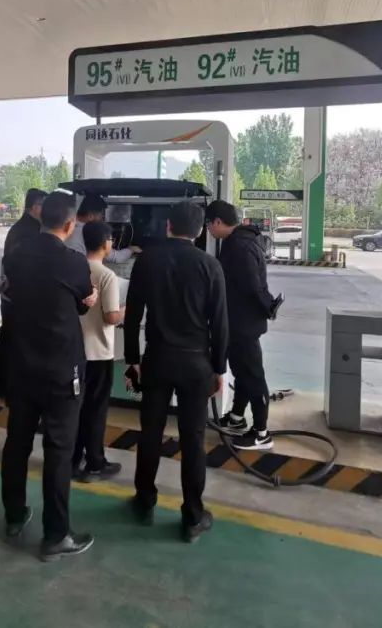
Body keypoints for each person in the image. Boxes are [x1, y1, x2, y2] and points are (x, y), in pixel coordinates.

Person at [0, 191, 98, 562]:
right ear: (70, 225)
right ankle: (56, 535)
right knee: (59, 451)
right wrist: (88, 299)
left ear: (41, 218)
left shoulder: (16, 256)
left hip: (21, 366)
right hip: (61, 371)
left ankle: (14, 515)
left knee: (17, 443)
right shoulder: (73, 261)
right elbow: (83, 301)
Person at [125, 202, 228, 543]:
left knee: (150, 433)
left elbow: (133, 314)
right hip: (196, 364)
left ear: (168, 225)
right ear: (199, 231)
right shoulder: (210, 265)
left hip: (157, 360)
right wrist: (219, 368)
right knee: (193, 439)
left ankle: (144, 501)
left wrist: (132, 359)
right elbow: (220, 323)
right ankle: (193, 516)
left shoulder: (147, 261)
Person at [205, 200, 279, 451]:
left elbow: (252, 286)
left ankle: (261, 433)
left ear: (217, 222)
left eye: (209, 225)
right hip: (238, 323)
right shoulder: (240, 240)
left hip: (243, 324)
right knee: (242, 373)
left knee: (253, 376)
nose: (208, 231)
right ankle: (237, 418)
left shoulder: (239, 246)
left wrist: (267, 306)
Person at [73, 221, 124, 483]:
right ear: (106, 244)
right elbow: (111, 317)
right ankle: (95, 463)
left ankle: (73, 460)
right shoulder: (106, 276)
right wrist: (128, 308)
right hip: (99, 354)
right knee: (96, 411)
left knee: (77, 409)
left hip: (75, 354)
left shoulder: (75, 269)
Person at [0, 188, 47, 401]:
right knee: (16, 344)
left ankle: (2, 387)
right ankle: (9, 389)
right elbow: (18, 265)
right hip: (18, 297)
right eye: (44, 205)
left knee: (8, 340)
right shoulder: (29, 231)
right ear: (35, 207)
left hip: (12, 295)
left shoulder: (24, 227)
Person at [64, 194, 140, 262]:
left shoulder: (65, 227)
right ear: (90, 216)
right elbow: (115, 257)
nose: (102, 219)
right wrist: (131, 249)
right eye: (101, 215)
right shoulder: (92, 232)